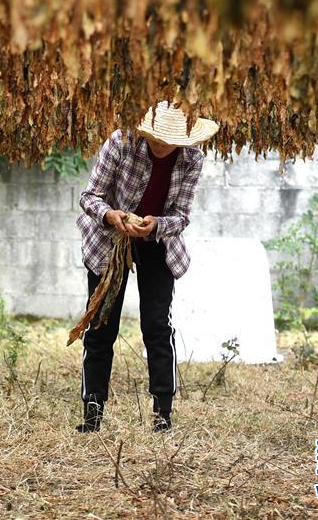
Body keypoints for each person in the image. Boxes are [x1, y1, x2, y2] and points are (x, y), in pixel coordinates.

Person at [75, 101, 219, 433]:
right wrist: (113, 216)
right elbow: (90, 196)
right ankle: (92, 414)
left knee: (156, 327)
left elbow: (181, 216)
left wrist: (155, 224)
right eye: (156, 137)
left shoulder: (191, 160)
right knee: (100, 325)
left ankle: (162, 415)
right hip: (111, 241)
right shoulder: (120, 143)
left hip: (158, 243)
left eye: (169, 139)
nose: (161, 144)